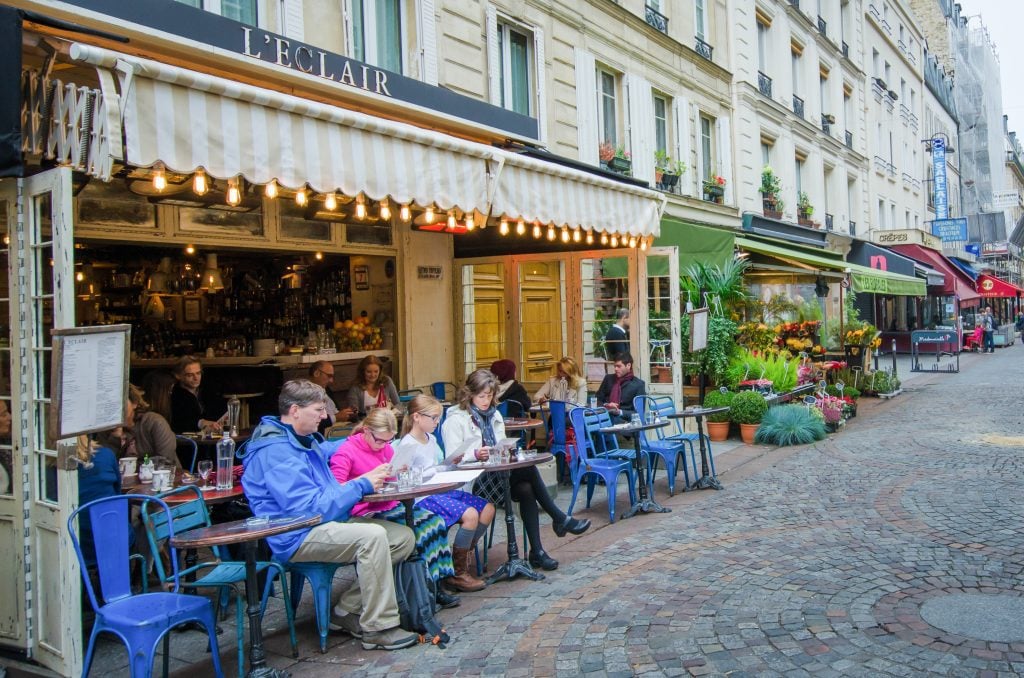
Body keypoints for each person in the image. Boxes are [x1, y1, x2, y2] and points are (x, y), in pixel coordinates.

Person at [241, 379, 418, 651]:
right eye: (318, 409)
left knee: (403, 538)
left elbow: (328, 449)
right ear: (295, 410)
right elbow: (309, 509)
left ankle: (345, 610)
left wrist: (362, 438)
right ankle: (379, 628)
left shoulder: (299, 439)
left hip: (320, 523)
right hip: (295, 533)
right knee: (372, 536)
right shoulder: (276, 451)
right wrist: (363, 483)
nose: (325, 416)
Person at [442, 369, 590, 572]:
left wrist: (505, 450)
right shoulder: (455, 420)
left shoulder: (494, 415)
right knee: (528, 471)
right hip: (473, 480)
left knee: (526, 488)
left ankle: (537, 551)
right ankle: (558, 519)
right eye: (481, 396)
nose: (486, 401)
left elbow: (500, 443)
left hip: (496, 474)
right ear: (470, 394)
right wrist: (475, 454)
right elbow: (452, 458)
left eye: (490, 395)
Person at [329, 409, 466, 605]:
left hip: (390, 503)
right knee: (418, 529)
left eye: (388, 441)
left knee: (434, 522)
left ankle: (436, 583)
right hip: (365, 510)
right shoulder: (346, 451)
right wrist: (366, 480)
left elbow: (391, 478)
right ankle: (419, 588)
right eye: (380, 441)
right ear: (366, 431)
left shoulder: (385, 448)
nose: (384, 446)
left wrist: (399, 471)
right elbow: (336, 490)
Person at [393, 394, 492, 592]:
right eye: (433, 418)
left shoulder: (430, 439)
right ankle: (458, 572)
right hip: (424, 496)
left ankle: (464, 553)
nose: (437, 422)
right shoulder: (408, 444)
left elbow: (437, 466)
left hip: (441, 488)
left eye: (438, 418)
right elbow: (408, 477)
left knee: (488, 509)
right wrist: (440, 469)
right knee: (471, 515)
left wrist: (451, 463)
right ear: (417, 417)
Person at [76, 433, 129, 565]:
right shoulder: (105, 455)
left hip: (77, 540)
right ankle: (132, 578)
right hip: (112, 536)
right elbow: (117, 493)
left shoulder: (47, 465)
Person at [103, 384, 179, 469]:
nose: (117, 408)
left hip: (163, 477)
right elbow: (105, 465)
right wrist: (115, 437)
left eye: (121, 402)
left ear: (134, 403)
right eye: (111, 405)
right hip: (123, 480)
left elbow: (166, 460)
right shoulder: (106, 428)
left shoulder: (154, 422)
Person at [169, 356, 225, 434]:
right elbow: (182, 423)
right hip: (188, 442)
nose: (196, 378)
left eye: (198, 373)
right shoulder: (175, 395)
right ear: (178, 376)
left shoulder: (207, 390)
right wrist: (203, 423)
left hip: (213, 437)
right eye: (190, 375)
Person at [595, 352, 646, 424]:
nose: (615, 369)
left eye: (619, 366)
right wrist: (606, 405)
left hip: (625, 422)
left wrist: (619, 412)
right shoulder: (608, 379)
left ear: (628, 365)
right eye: (615, 366)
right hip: (604, 417)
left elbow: (638, 414)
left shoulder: (638, 385)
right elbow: (596, 400)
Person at [308, 360, 354, 432]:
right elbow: (312, 422)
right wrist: (336, 418)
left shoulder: (326, 389)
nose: (331, 381)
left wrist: (346, 414)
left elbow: (336, 411)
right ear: (316, 373)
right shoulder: (306, 393)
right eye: (329, 376)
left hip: (337, 428)